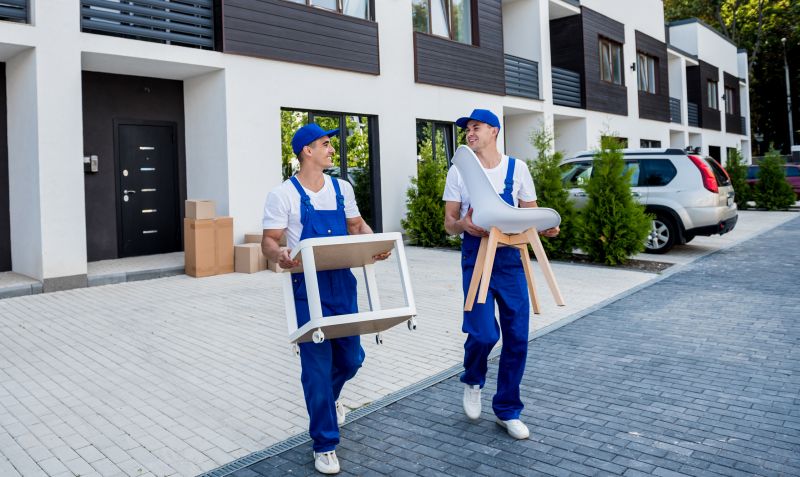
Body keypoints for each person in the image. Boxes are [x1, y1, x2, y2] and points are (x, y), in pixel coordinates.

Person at [262, 123, 389, 475]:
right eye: (325, 144)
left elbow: (357, 226)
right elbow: (269, 241)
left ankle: (329, 402)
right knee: (316, 369)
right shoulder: (283, 195)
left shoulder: (341, 188)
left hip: (342, 285)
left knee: (351, 359)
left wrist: (373, 242)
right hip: (307, 288)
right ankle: (324, 444)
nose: (332, 150)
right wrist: (280, 255)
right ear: (307, 151)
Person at [442, 109, 559, 440]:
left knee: (518, 338)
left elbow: (530, 211)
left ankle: (508, 410)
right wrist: (463, 224)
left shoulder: (517, 169)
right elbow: (449, 223)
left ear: (494, 131)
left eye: (475, 127)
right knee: (482, 334)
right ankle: (473, 378)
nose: (469, 133)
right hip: (475, 256)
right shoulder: (460, 171)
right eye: (466, 129)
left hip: (510, 259)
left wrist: (548, 226)